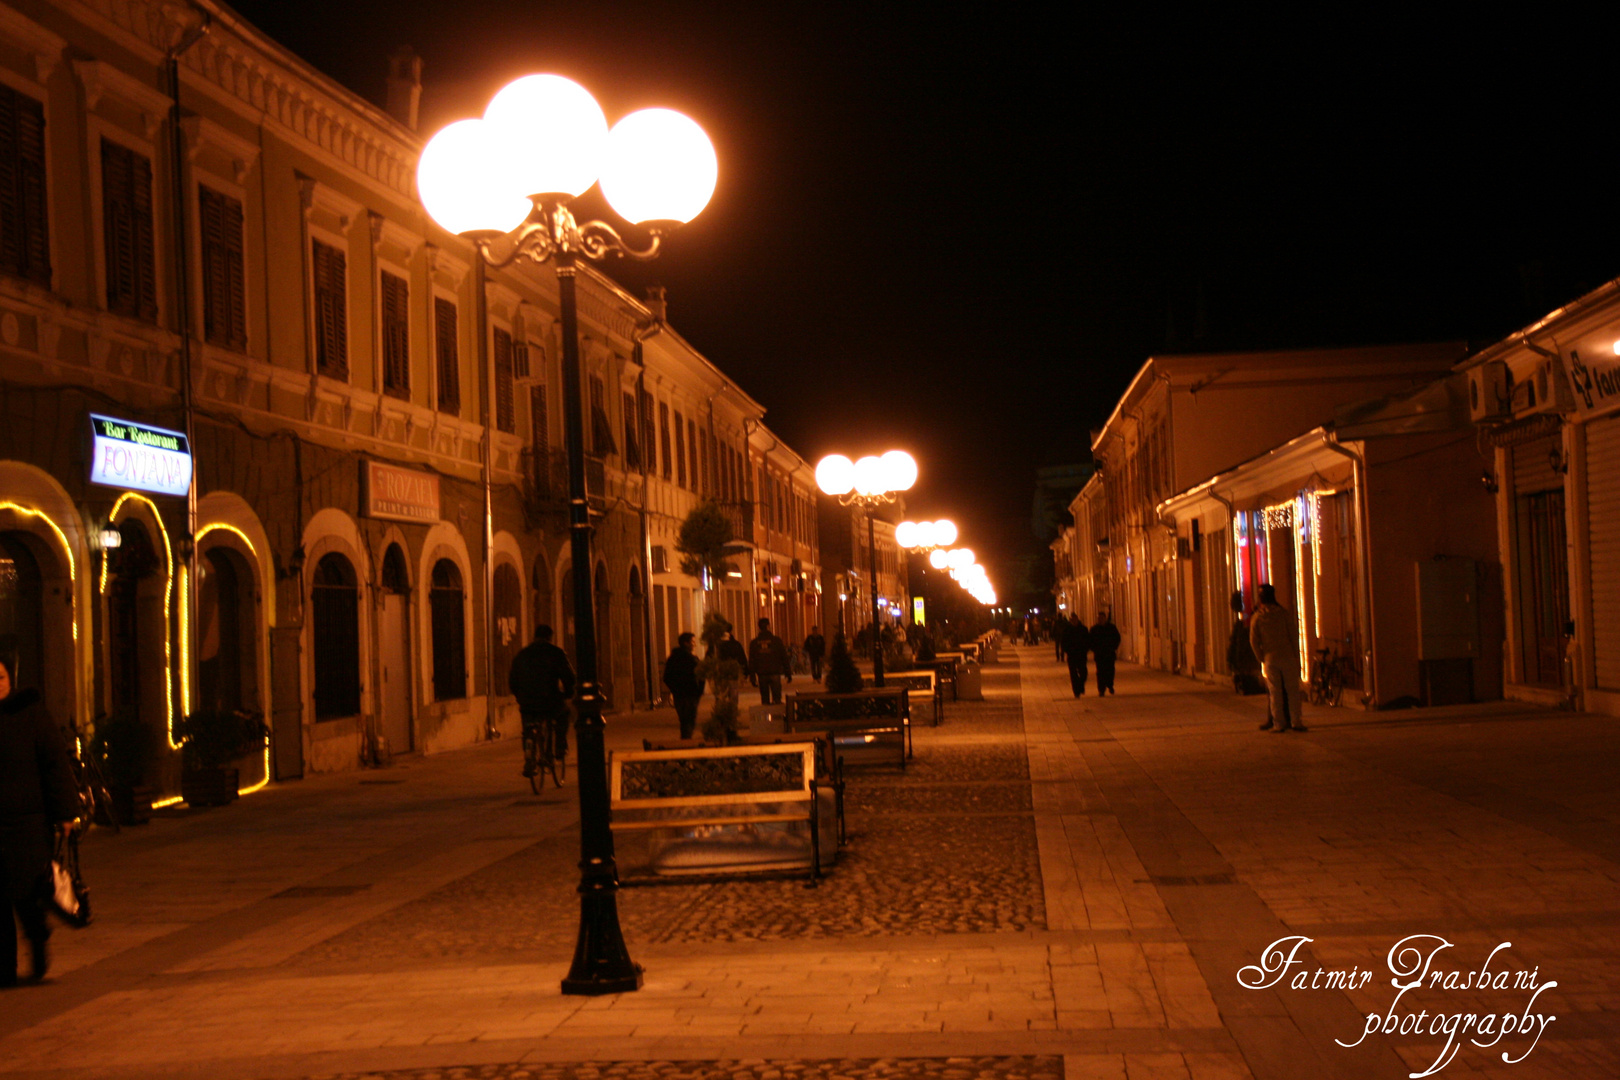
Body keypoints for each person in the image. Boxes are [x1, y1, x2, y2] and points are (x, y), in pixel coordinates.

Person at [0, 654, 81, 986]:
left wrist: (65, 813)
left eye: (0, 678)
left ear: (10, 680)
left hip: (28, 825)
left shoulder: (31, 714)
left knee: (27, 893)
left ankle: (37, 939)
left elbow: (54, 765)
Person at [507, 625, 575, 774]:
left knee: (528, 728)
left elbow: (512, 681)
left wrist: (520, 697)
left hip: (527, 703)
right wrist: (568, 693)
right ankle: (560, 747)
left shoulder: (522, 655)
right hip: (550, 701)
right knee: (563, 714)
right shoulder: (556, 653)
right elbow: (569, 677)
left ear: (534, 636)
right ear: (550, 637)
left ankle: (529, 759)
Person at [1250, 584, 1306, 732]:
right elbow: (1293, 636)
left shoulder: (1258, 617)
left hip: (1270, 658)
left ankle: (1278, 723)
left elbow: (1254, 641)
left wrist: (1261, 657)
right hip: (1287, 656)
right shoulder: (1283, 614)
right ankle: (1296, 721)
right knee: (1292, 691)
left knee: (1275, 692)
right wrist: (1296, 655)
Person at [661, 632, 704, 740]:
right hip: (690, 694)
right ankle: (686, 742)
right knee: (690, 720)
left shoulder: (673, 659)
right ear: (686, 643)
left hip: (680, 695)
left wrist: (675, 689)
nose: (694, 644)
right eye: (692, 642)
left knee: (684, 720)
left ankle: (685, 740)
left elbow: (667, 677)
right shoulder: (692, 660)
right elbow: (701, 676)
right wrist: (699, 691)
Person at [1226, 591, 1265, 695]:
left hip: (1245, 657)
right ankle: (1249, 683)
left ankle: (1247, 683)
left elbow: (1234, 644)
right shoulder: (1252, 619)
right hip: (1248, 656)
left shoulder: (1242, 623)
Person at [748, 618, 792, 705]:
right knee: (777, 698)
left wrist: (752, 677)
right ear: (768, 626)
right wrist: (788, 672)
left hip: (762, 673)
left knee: (764, 699)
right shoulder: (776, 641)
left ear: (759, 627)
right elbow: (784, 657)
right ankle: (777, 716)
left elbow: (751, 661)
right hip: (774, 671)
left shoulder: (754, 643)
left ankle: (766, 716)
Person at [1090, 610, 1121, 695]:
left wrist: (1114, 647)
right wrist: (1094, 649)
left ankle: (1110, 684)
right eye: (1099, 618)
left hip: (1109, 653)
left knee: (1110, 670)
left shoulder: (1111, 628)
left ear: (1105, 618)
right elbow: (1090, 641)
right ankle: (1101, 690)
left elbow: (1117, 638)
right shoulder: (1094, 629)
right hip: (1099, 654)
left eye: (1102, 618)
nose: (1100, 620)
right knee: (1100, 672)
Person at [1061, 613, 1092, 696]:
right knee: (1073, 674)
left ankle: (1081, 685)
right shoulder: (1067, 630)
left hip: (1081, 654)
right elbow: (1063, 642)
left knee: (1084, 673)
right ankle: (1076, 691)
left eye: (1075, 619)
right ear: (1070, 621)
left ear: (1077, 620)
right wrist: (1067, 650)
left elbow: (1088, 640)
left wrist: (1086, 649)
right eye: (1072, 620)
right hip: (1071, 655)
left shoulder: (1083, 629)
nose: (1074, 621)